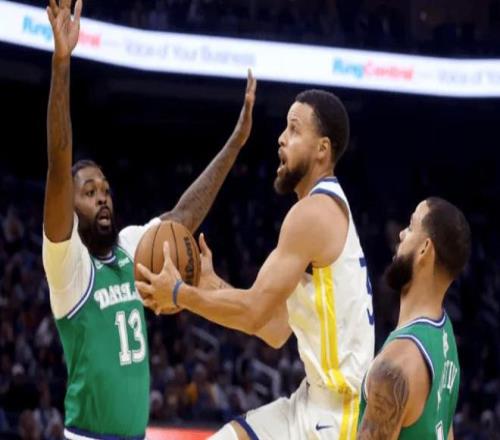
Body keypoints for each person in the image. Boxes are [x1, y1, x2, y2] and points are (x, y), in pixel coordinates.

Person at [42, 0, 256, 438]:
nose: (102, 198)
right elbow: (59, 160)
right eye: (89, 193)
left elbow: (182, 217)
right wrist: (62, 62)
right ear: (70, 206)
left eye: (105, 190)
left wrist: (235, 144)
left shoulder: (130, 249)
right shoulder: (68, 266)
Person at [137, 88, 375, 439]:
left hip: (340, 417)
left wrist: (178, 293)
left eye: (294, 129)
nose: (281, 138)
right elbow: (275, 329)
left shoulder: (314, 213)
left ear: (322, 149)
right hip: (312, 401)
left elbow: (253, 312)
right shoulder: (321, 209)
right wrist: (212, 285)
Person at [357, 198, 471, 440]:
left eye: (410, 227)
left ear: (424, 249)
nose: (401, 234)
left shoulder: (396, 365)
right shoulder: (445, 335)